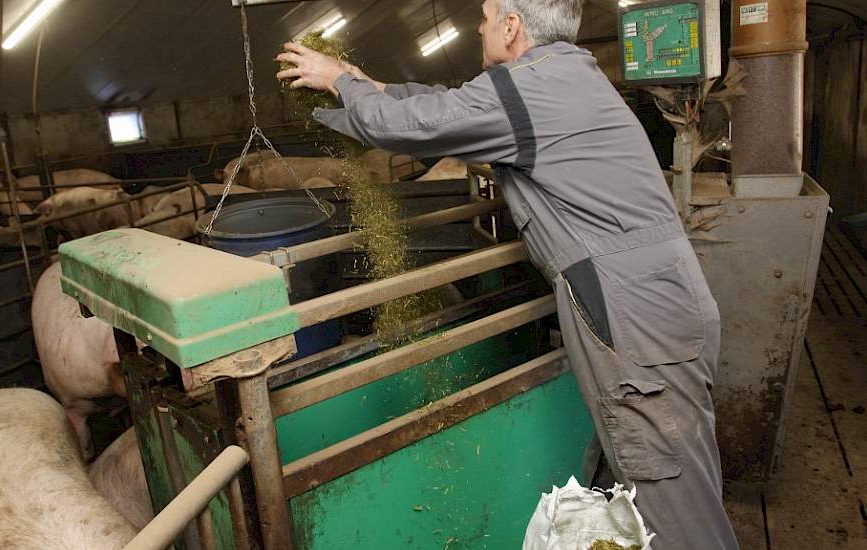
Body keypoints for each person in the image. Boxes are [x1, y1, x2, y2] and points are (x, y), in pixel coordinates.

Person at [276, 1, 739, 548]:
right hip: (650, 300)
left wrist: (340, 82)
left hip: (636, 315)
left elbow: (420, 124)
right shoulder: (560, 75)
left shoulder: (531, 88)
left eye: (486, 15)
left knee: (673, 501)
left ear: (512, 26)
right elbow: (443, 107)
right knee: (649, 479)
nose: (479, 26)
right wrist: (357, 84)